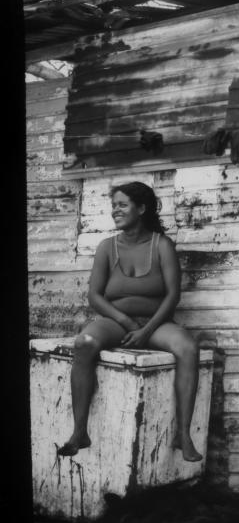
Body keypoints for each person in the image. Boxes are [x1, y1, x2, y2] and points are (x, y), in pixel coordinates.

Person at [57, 181, 203, 462]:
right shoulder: (106, 247)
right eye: (114, 206)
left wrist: (146, 330)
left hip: (156, 323)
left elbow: (173, 296)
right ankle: (79, 432)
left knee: (188, 348)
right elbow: (95, 296)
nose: (116, 211)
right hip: (116, 322)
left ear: (142, 208)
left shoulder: (162, 246)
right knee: (84, 343)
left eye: (122, 205)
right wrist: (126, 321)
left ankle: (183, 434)